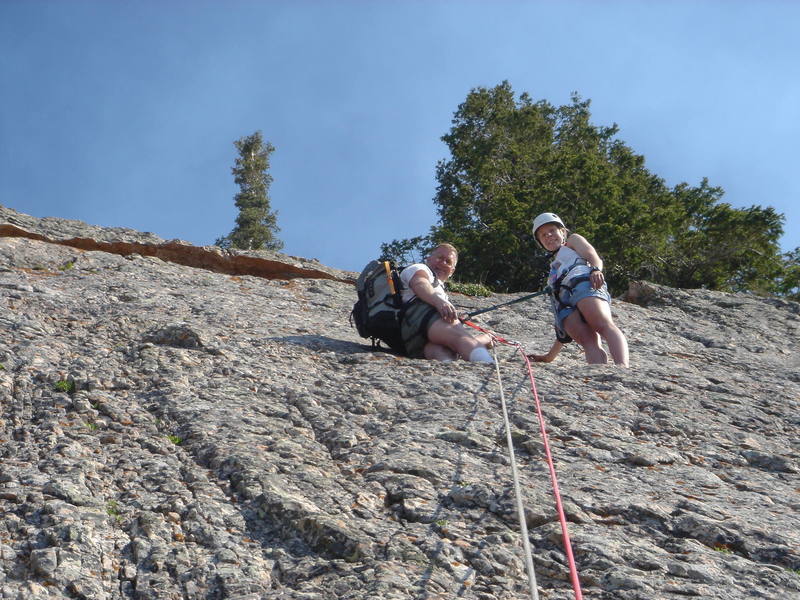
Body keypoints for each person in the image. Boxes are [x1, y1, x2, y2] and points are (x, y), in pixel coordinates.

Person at [528, 213, 629, 367]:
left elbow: (591, 254)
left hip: (583, 282)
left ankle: (622, 367)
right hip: (565, 300)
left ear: (563, 232)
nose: (548, 235)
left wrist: (595, 270)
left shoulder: (572, 241)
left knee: (602, 325)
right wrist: (549, 357)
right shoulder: (553, 271)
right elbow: (561, 332)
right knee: (587, 340)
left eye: (552, 230)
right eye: (542, 235)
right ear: (540, 242)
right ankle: (599, 374)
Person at [399, 243, 494, 363]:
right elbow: (419, 283)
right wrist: (439, 302)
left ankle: (449, 371)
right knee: (459, 337)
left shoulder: (439, 287)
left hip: (413, 339)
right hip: (420, 318)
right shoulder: (420, 268)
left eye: (448, 262)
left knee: (442, 351)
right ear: (428, 259)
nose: (443, 263)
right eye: (439, 258)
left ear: (452, 271)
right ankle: (489, 365)